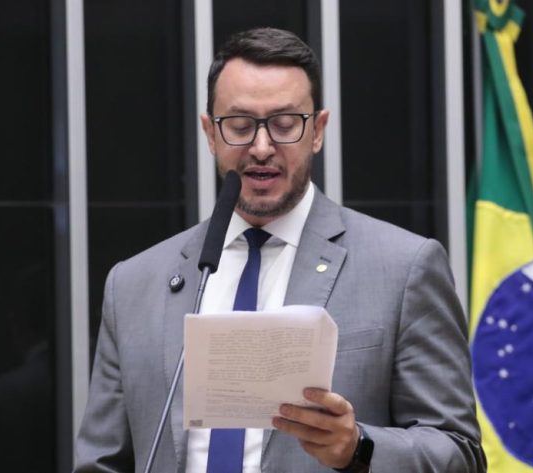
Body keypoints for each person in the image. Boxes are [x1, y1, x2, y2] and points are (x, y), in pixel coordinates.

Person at [75, 27, 486, 473]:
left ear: (318, 131)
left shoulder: (404, 268)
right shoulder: (134, 285)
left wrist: (358, 447)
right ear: (210, 133)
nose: (262, 147)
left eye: (285, 124)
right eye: (239, 126)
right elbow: (101, 463)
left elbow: (459, 453)